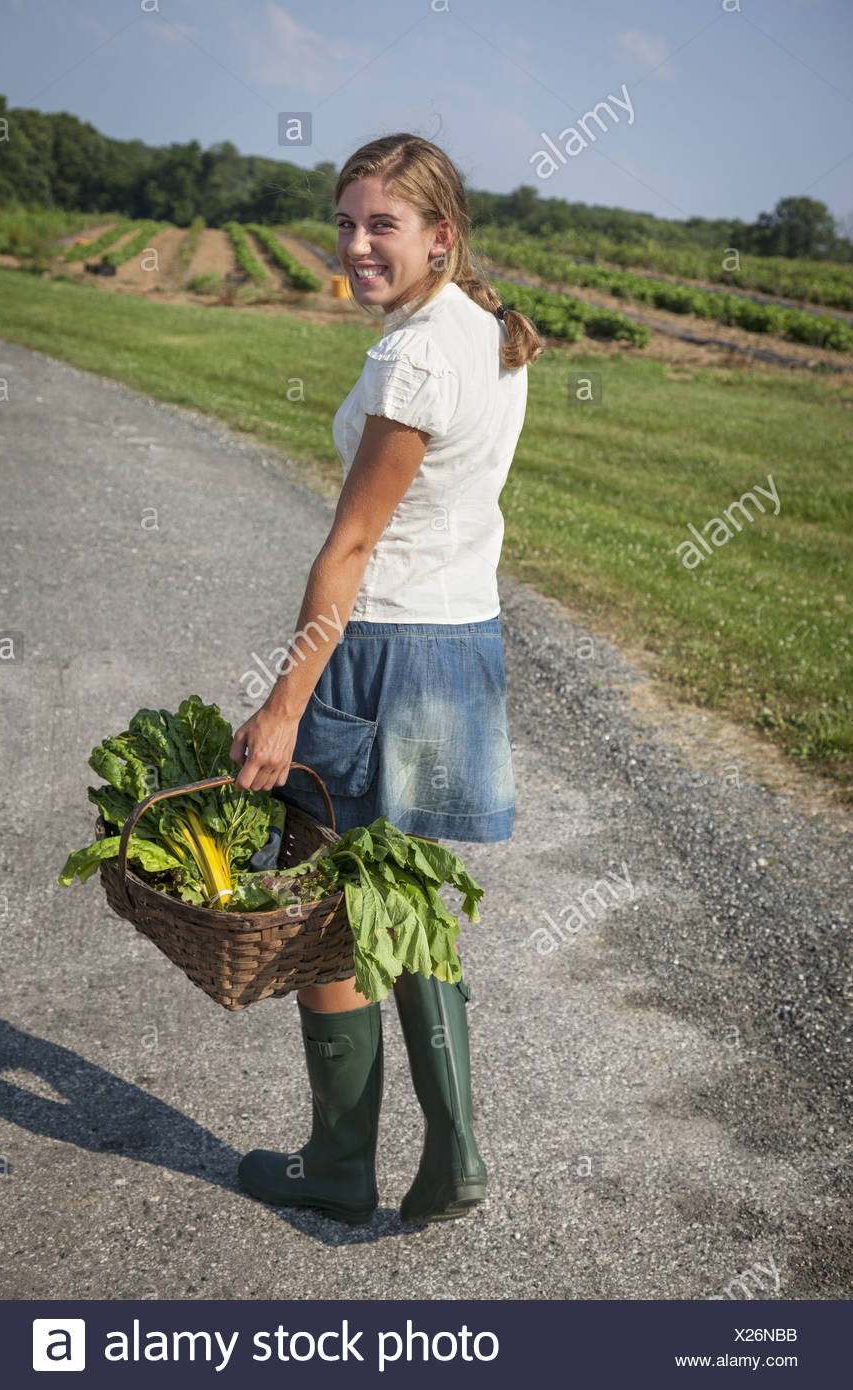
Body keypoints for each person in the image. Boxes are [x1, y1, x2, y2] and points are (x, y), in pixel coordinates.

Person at [228, 133, 544, 1227]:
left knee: (324, 912)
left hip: (380, 653)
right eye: (347, 220)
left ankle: (338, 1164)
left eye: (383, 224)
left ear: (438, 236)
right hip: (461, 646)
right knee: (404, 901)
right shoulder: (486, 332)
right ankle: (452, 1154)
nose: (356, 243)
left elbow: (351, 548)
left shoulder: (414, 356)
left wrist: (282, 705)